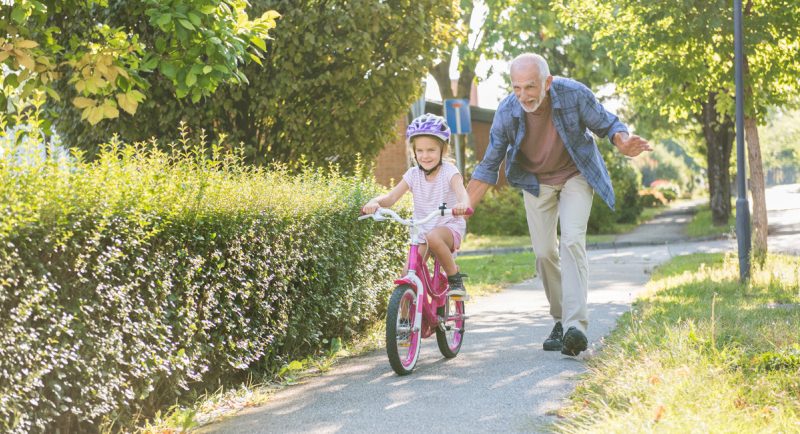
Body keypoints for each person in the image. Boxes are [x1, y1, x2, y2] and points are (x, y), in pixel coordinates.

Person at [467, 53, 652, 356]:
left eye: (530, 87)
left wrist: (622, 142)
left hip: (575, 174)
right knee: (543, 252)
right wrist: (464, 211)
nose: (523, 95)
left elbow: (608, 124)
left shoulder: (573, 94)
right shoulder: (507, 111)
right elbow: (490, 165)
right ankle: (560, 319)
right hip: (535, 181)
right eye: (517, 88)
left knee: (572, 241)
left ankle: (575, 326)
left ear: (547, 82)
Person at [363, 113, 471, 296]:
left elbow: (463, 195)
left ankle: (455, 279)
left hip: (448, 227)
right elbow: (390, 198)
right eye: (419, 151)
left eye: (431, 150)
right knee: (408, 274)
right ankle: (404, 319)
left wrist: (462, 204)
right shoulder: (413, 174)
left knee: (434, 237)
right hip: (423, 230)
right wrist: (374, 202)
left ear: (443, 150)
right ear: (413, 152)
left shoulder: (449, 172)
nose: (425, 156)